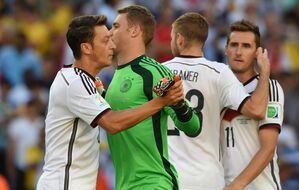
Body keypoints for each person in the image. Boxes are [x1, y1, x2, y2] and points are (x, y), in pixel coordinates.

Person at [36, 15, 185, 190]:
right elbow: (112, 123)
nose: (112, 46)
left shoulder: (85, 80)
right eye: (105, 41)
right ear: (86, 48)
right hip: (65, 184)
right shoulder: (76, 83)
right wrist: (161, 102)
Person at [163, 12, 270, 190]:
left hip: (168, 177)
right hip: (207, 179)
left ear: (180, 39)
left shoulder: (159, 72)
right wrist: (265, 71)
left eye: (171, 37)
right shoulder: (219, 73)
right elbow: (257, 110)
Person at [106, 5, 201, 190]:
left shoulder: (153, 72)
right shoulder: (117, 75)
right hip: (126, 184)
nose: (110, 33)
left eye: (116, 26)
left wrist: (178, 102)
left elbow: (193, 126)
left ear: (134, 31)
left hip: (153, 182)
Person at [220, 20, 284, 190]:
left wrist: (236, 185)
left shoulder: (270, 88)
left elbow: (268, 148)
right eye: (234, 45)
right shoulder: (216, 87)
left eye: (246, 46)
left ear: (257, 53)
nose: (238, 52)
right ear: (226, 49)